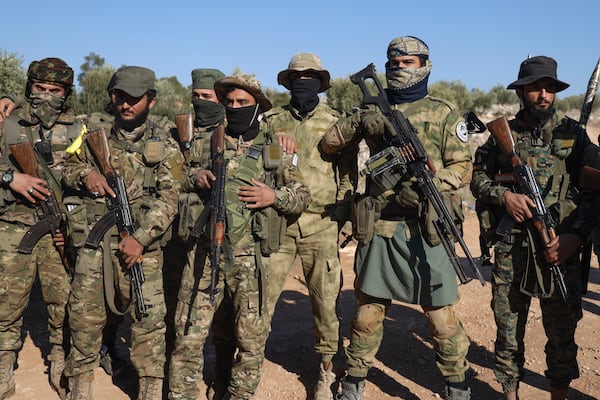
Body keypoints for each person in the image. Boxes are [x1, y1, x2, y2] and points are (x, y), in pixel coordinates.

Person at [320, 36, 473, 400]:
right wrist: (361, 118)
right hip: (383, 225)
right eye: (394, 63)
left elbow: (463, 167)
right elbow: (329, 144)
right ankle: (354, 381)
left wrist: (428, 185)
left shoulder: (444, 112)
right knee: (367, 315)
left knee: (440, 318)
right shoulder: (372, 107)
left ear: (425, 66)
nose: (399, 68)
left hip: (428, 227)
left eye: (408, 63)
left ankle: (457, 386)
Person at [167, 73, 311, 400]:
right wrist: (195, 177)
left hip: (251, 262)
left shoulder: (272, 148)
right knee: (188, 338)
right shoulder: (206, 143)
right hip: (203, 256)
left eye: (242, 102)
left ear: (257, 105)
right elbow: (173, 182)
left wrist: (274, 196)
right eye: (229, 102)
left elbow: (301, 194)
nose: (234, 107)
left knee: (250, 343)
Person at [470, 55, 594, 400]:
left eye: (549, 88)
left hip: (559, 248)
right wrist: (503, 196)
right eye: (535, 88)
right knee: (508, 328)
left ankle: (558, 394)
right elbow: (477, 179)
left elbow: (593, 192)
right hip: (512, 248)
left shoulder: (574, 134)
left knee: (562, 329)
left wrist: (576, 236)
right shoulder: (502, 136)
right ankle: (510, 393)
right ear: (521, 92)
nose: (543, 95)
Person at [61, 66, 184, 400]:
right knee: (84, 317)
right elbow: (66, 166)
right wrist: (86, 173)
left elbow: (169, 198)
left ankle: (149, 388)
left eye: (134, 98)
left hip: (142, 248)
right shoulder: (90, 134)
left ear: (151, 101)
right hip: (94, 245)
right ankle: (79, 384)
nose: (126, 104)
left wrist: (140, 238)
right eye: (119, 96)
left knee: (148, 322)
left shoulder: (164, 144)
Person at [260, 52, 354, 400]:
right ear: (288, 82)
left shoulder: (336, 122)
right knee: (261, 299)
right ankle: (249, 363)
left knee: (325, 303)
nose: (304, 83)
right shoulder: (271, 121)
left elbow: (347, 176)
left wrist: (343, 218)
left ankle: (327, 370)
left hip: (322, 224)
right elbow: (262, 166)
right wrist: (274, 150)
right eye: (297, 78)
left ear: (320, 82)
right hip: (278, 224)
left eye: (310, 77)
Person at [0, 57, 81, 399]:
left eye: (55, 90)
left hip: (57, 229)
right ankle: (3, 362)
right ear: (29, 87)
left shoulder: (80, 128)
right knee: (6, 302)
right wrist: (10, 177)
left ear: (66, 93)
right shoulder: (7, 121)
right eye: (40, 88)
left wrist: (73, 224)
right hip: (12, 225)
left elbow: (85, 179)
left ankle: (60, 358)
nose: (46, 96)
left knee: (62, 301)